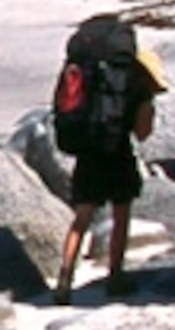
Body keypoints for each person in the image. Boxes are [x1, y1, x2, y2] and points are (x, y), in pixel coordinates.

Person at [51, 16, 167, 305]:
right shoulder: (136, 85)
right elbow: (142, 134)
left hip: (88, 150)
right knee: (121, 215)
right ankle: (116, 275)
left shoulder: (93, 75)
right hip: (118, 151)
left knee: (82, 218)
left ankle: (65, 278)